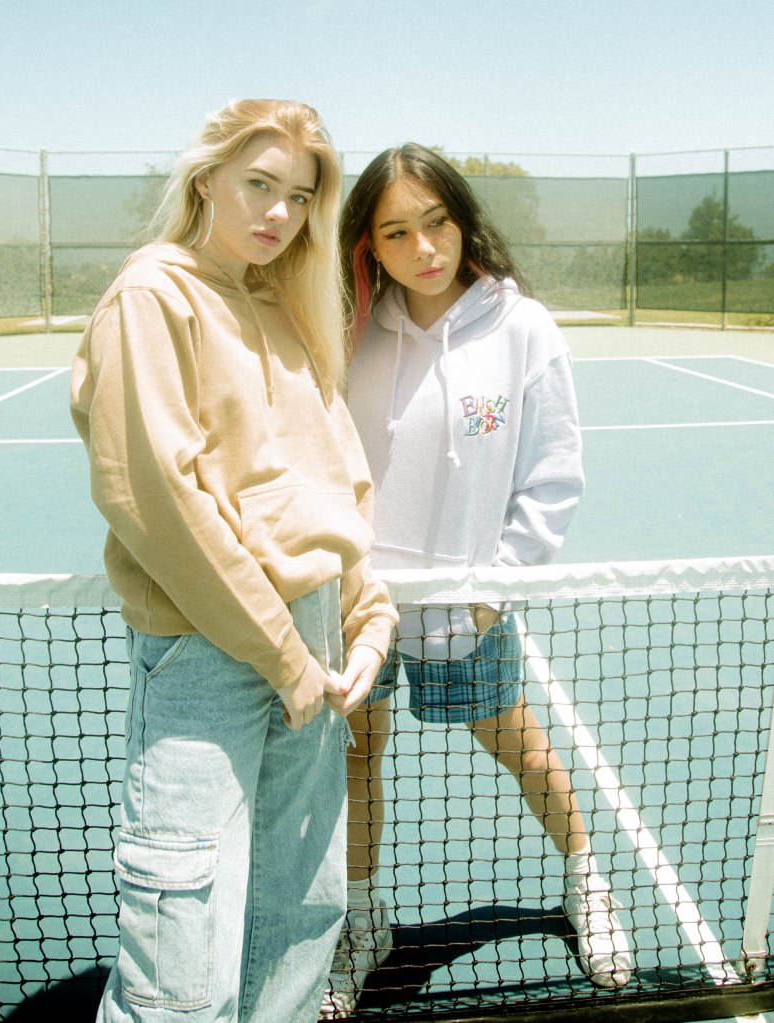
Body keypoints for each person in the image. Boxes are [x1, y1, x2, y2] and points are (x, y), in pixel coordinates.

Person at [69, 99, 398, 1023]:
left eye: (301, 196)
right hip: (211, 653)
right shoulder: (152, 296)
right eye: (259, 183)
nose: (280, 213)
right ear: (206, 177)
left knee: (298, 918)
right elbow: (158, 501)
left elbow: (336, 484)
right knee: (181, 967)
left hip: (317, 650)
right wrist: (283, 657)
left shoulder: (288, 309)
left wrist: (368, 616)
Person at [320, 143, 632, 1018]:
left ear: (462, 221)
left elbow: (554, 474)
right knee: (357, 759)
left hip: (469, 605)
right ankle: (363, 921)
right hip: (359, 603)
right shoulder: (348, 326)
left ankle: (586, 880)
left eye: (437, 222)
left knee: (521, 748)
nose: (423, 246)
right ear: (368, 244)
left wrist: (497, 586)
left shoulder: (522, 327)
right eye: (396, 232)